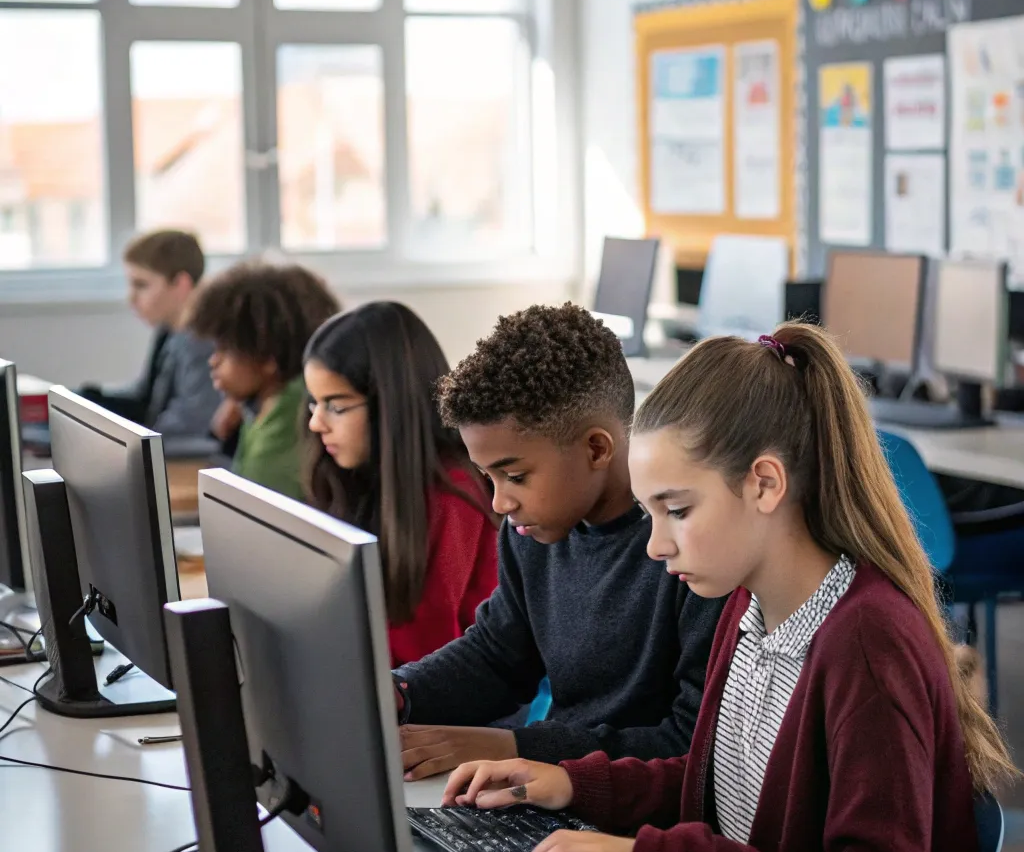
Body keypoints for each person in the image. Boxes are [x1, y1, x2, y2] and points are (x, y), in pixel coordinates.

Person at [444, 322, 1016, 852]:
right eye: (650, 513)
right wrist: (571, 784)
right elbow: (712, 785)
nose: (655, 545)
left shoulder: (865, 641)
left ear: (764, 484)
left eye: (678, 510)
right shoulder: (746, 609)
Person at [393, 303, 725, 781]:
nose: (500, 503)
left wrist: (516, 747)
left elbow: (689, 743)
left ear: (596, 448)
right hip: (554, 788)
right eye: (488, 478)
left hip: (634, 810)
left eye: (515, 475)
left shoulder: (686, 549)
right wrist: (402, 692)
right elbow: (500, 653)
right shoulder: (531, 530)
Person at [303, 302, 499, 667]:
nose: (316, 423)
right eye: (314, 403)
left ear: (391, 406)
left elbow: (428, 652)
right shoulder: (359, 478)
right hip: (385, 687)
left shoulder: (453, 497)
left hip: (441, 703)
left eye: (336, 406)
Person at [187, 261, 339, 501]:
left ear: (267, 356)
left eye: (226, 349)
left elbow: (254, 500)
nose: (214, 361)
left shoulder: (290, 417)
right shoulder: (269, 398)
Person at [81, 229, 219, 436]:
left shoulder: (202, 343)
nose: (131, 299)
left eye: (141, 285)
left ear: (181, 284)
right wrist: (87, 400)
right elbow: (145, 398)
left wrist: (128, 441)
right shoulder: (169, 330)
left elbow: (190, 424)